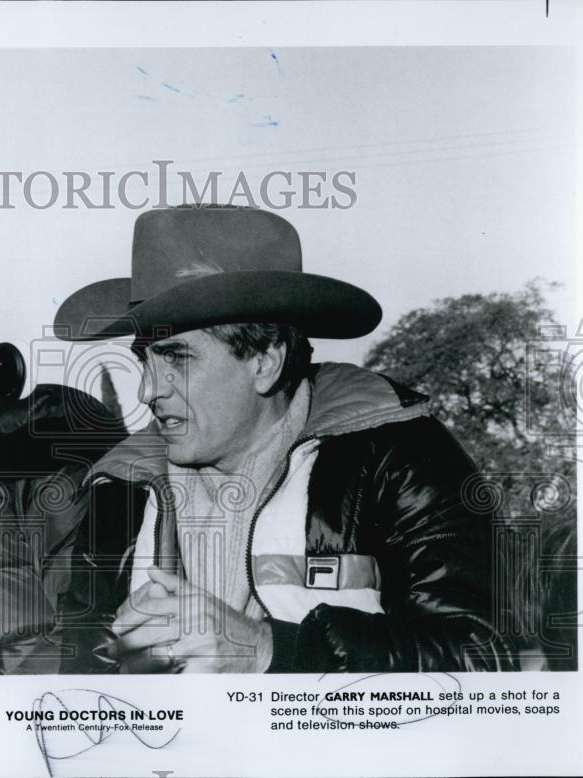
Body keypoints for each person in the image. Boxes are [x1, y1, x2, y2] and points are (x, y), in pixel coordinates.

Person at [54, 205, 517, 673]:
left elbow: (486, 658)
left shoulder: (399, 460)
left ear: (265, 361)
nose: (148, 391)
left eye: (177, 358)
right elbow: (76, 665)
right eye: (144, 361)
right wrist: (118, 668)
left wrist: (267, 650)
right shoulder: (121, 490)